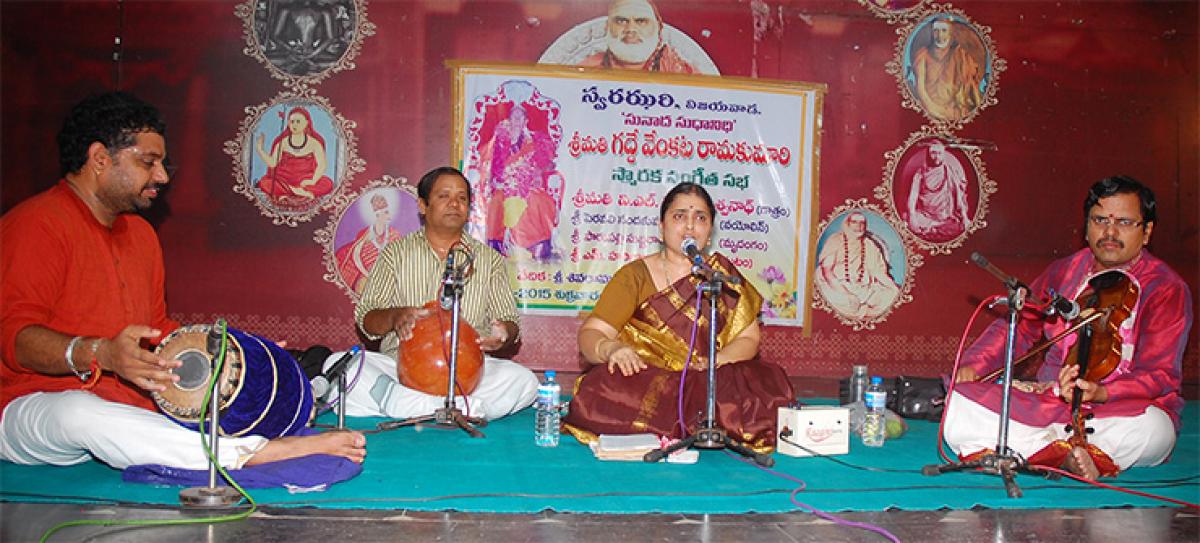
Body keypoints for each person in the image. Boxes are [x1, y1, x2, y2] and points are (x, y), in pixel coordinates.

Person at [0, 92, 366, 471]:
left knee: (206, 402)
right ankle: (254, 455)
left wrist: (238, 349)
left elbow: (160, 333)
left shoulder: (141, 235)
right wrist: (101, 353)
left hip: (128, 406)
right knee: (76, 413)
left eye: (162, 164)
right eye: (148, 162)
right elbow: (13, 338)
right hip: (30, 406)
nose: (161, 176)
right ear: (99, 159)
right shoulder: (34, 226)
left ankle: (219, 442)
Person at [945, 176, 1192, 480]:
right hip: (1052, 403)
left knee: (1156, 431)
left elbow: (1159, 373)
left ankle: (1045, 450)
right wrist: (973, 365)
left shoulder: (1165, 288)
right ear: (1086, 227)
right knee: (958, 406)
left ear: (1147, 232)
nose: (1110, 232)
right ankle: (1060, 453)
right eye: (1100, 220)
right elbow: (1022, 325)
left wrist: (1102, 392)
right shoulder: (1065, 271)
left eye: (1125, 222)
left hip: (1117, 411)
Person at [562, 182, 793, 451]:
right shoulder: (635, 276)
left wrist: (714, 362)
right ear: (661, 228)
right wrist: (611, 348)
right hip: (650, 381)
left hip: (709, 376)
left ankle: (694, 421)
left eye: (700, 218)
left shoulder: (722, 277)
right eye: (679, 216)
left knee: (764, 387)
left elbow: (749, 338)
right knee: (601, 393)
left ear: (709, 233)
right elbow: (591, 334)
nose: (690, 226)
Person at [331, 167, 538, 420]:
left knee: (524, 381)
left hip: (469, 373)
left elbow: (510, 321)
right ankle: (463, 409)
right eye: (444, 196)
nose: (454, 203)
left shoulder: (488, 259)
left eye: (462, 198)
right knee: (340, 367)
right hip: (402, 366)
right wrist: (396, 317)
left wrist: (504, 333)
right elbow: (366, 319)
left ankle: (408, 405)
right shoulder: (395, 254)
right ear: (422, 205)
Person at [477, 105, 562, 261]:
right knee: (497, 200)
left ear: (526, 121)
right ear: (509, 120)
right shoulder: (499, 141)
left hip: (527, 185)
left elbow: (545, 165)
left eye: (520, 117)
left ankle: (538, 246)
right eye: (514, 117)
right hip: (504, 186)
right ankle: (497, 246)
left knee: (539, 201)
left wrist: (530, 177)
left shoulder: (534, 142)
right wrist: (497, 180)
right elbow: (490, 165)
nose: (516, 120)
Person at [814, 211, 901, 319]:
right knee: (839, 301)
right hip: (835, 285)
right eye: (854, 222)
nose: (859, 226)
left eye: (862, 223)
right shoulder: (835, 240)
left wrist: (894, 288)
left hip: (861, 287)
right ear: (847, 224)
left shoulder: (869, 244)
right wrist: (847, 294)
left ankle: (861, 311)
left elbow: (878, 272)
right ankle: (862, 311)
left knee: (890, 297)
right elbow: (827, 273)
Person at [578, 0, 697, 73]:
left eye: (641, 21)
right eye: (621, 21)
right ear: (607, 27)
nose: (631, 29)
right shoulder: (585, 70)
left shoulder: (684, 74)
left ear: (659, 28)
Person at [254, 106, 335, 207]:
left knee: (327, 183)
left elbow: (322, 165)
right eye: (292, 121)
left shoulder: (314, 143)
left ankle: (286, 194)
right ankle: (297, 192)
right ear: (288, 123)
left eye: (298, 121)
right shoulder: (282, 143)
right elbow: (272, 163)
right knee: (265, 183)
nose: (294, 125)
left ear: (306, 122)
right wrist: (260, 150)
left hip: (305, 181)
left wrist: (313, 180)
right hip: (283, 180)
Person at [911, 16, 983, 122]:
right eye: (936, 31)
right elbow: (921, 90)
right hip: (929, 111)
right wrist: (938, 111)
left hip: (957, 111)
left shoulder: (961, 56)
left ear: (950, 33)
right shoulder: (922, 55)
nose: (940, 36)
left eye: (944, 30)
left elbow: (970, 88)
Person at [335, 193, 403, 293]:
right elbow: (356, 256)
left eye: (388, 212)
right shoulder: (365, 236)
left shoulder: (394, 234)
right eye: (386, 212)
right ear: (377, 215)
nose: (389, 215)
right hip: (368, 276)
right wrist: (368, 274)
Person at [905, 140, 970, 242]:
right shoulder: (920, 174)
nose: (936, 157)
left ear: (943, 154)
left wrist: (964, 217)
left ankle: (936, 227)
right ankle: (933, 227)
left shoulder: (950, 172)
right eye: (933, 153)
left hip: (947, 218)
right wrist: (912, 217)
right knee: (907, 219)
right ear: (928, 154)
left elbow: (958, 197)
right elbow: (912, 197)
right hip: (926, 216)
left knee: (958, 226)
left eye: (939, 153)